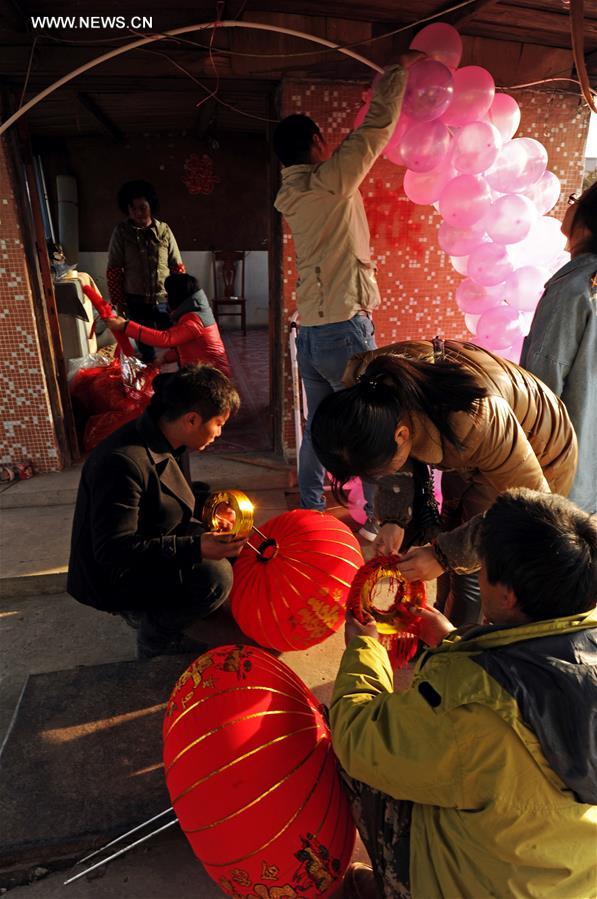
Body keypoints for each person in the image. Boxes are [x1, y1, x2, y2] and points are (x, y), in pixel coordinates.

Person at [332, 488, 597, 899]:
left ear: (508, 594)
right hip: (568, 878)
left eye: (484, 568)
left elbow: (360, 736)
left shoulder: (471, 702)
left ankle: (396, 886)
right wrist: (456, 641)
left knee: (346, 744)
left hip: (480, 885)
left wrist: (364, 649)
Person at [311, 338, 577, 625]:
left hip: (540, 447)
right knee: (452, 533)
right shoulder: (368, 398)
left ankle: (454, 651)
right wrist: (393, 520)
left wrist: (443, 555)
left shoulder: (475, 418)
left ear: (402, 436)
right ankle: (436, 626)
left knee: (476, 567)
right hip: (473, 445)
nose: (377, 477)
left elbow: (533, 506)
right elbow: (391, 462)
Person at [272, 53, 422, 540]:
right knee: (371, 428)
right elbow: (375, 129)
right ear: (316, 142)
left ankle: (313, 512)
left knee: (320, 425)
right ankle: (377, 523)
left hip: (311, 333)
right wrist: (396, 72)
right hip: (341, 330)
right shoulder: (330, 182)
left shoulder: (291, 193)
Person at [67, 365, 244, 659]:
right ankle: (154, 634)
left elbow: (168, 496)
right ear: (192, 419)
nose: (220, 433)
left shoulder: (165, 438)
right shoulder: (122, 462)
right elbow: (113, 551)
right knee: (215, 575)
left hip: (148, 540)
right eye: (219, 423)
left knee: (227, 544)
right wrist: (196, 547)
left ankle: (174, 609)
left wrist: (212, 506)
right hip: (113, 576)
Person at [520, 182, 597, 514]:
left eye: (576, 199)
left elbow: (542, 388)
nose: (570, 204)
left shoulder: (574, 289)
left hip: (561, 480)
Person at [107, 179, 185, 362]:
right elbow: (114, 270)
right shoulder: (121, 232)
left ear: (151, 206)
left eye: (142, 207)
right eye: (133, 209)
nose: (138, 213)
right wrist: (119, 302)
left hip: (164, 300)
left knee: (175, 344)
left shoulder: (164, 230)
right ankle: (150, 382)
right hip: (135, 300)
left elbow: (177, 267)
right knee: (145, 348)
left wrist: (180, 300)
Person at [105, 272, 232, 378]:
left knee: (164, 389)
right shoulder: (194, 313)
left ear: (177, 296)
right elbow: (187, 350)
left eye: (168, 295)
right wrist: (164, 359)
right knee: (160, 382)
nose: (166, 298)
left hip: (213, 379)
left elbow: (165, 338)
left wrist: (125, 326)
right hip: (201, 372)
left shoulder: (194, 320)